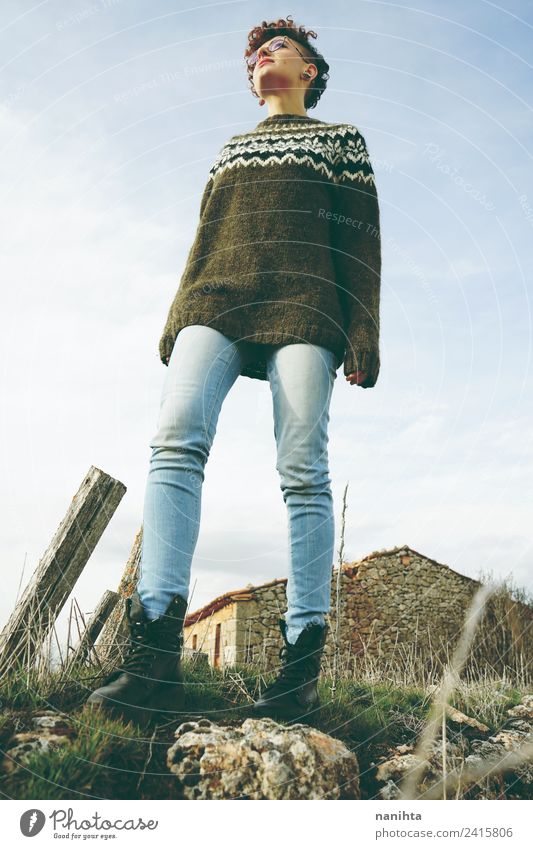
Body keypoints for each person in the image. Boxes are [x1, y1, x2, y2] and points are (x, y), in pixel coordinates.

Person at [86, 14, 381, 726]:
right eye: (253, 56)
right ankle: (153, 652)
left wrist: (362, 331)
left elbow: (360, 240)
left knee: (302, 469)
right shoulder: (231, 149)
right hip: (213, 300)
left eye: (275, 48)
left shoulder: (339, 141)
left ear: (309, 69)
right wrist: (177, 317)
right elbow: (205, 238)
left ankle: (298, 669)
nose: (260, 59)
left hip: (307, 303)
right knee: (174, 440)